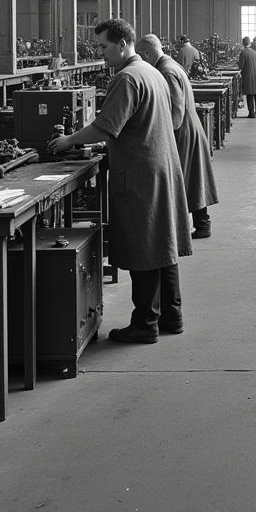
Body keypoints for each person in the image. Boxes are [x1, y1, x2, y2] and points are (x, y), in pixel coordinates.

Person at [49, 18, 192, 343]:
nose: (101, 54)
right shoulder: (151, 72)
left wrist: (69, 141)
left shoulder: (127, 78)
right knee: (163, 242)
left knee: (145, 247)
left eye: (103, 47)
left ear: (122, 44)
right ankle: (172, 315)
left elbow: (105, 125)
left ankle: (145, 324)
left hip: (142, 172)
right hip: (161, 165)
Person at [137, 33, 219, 240]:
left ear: (147, 53)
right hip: (189, 129)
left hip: (182, 131)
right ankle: (201, 224)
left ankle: (186, 228)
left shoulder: (166, 71)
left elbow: (176, 113)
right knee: (192, 179)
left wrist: (165, 136)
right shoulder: (171, 65)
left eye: (140, 55)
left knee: (180, 180)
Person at [237, 36, 256, 117]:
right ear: (250, 43)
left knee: (250, 95)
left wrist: (237, 63)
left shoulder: (243, 52)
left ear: (243, 43)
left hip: (249, 76)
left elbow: (241, 66)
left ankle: (251, 113)